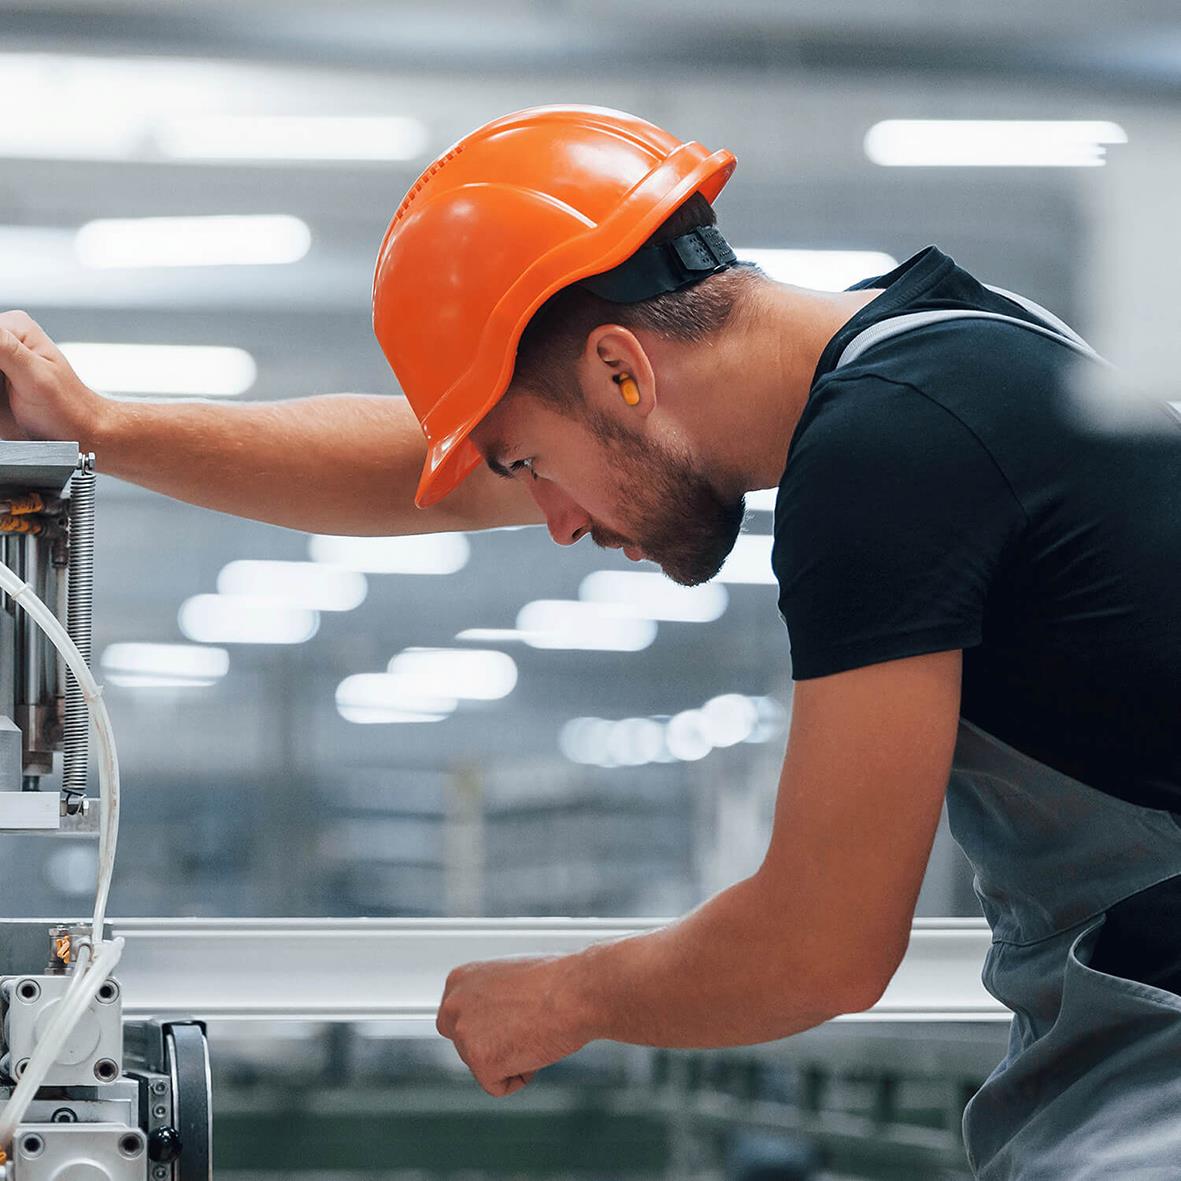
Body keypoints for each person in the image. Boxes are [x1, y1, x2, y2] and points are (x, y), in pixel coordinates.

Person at [1, 105, 1179, 1179]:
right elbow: (427, 478)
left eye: (527, 467)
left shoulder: (889, 459)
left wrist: (564, 995)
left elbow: (821, 942)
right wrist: (103, 425)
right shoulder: (938, 345)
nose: (550, 520)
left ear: (621, 368)